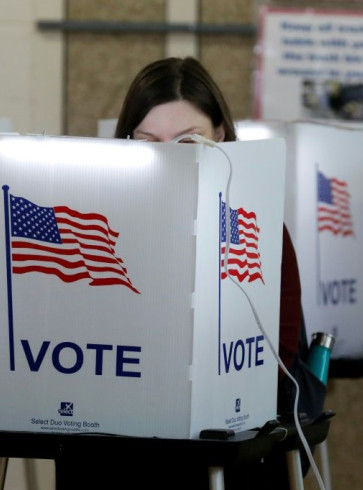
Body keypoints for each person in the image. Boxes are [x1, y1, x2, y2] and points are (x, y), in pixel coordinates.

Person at [57, 57, 324, 490]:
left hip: (226, 432)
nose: (169, 158)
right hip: (122, 429)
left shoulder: (259, 228)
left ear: (220, 135)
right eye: (149, 140)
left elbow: (276, 362)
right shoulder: (101, 227)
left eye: (187, 141)